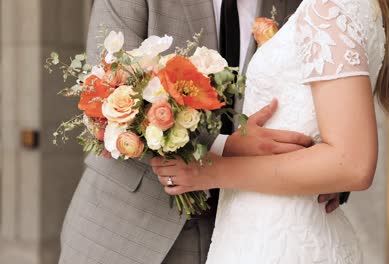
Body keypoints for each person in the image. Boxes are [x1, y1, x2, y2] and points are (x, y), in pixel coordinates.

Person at [58, 0, 346, 263]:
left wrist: (329, 169)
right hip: (126, 230)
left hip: (250, 235)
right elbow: (104, 97)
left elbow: (327, 108)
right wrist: (227, 146)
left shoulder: (304, 5)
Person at [151, 0, 389, 263]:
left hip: (277, 236)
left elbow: (352, 164)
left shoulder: (328, 9)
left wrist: (211, 171)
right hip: (271, 224)